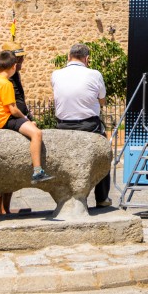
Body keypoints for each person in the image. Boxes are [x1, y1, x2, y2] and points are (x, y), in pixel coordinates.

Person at [52, 43, 111, 208]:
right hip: (88, 126)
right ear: (87, 59)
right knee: (104, 156)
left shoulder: (56, 74)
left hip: (63, 126)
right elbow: (102, 99)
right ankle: (102, 197)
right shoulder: (95, 74)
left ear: (68, 57)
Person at [0, 50, 53, 188]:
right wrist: (26, 118)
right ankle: (37, 171)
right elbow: (13, 109)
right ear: (13, 67)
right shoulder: (6, 83)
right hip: (5, 119)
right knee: (36, 133)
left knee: (32, 126)